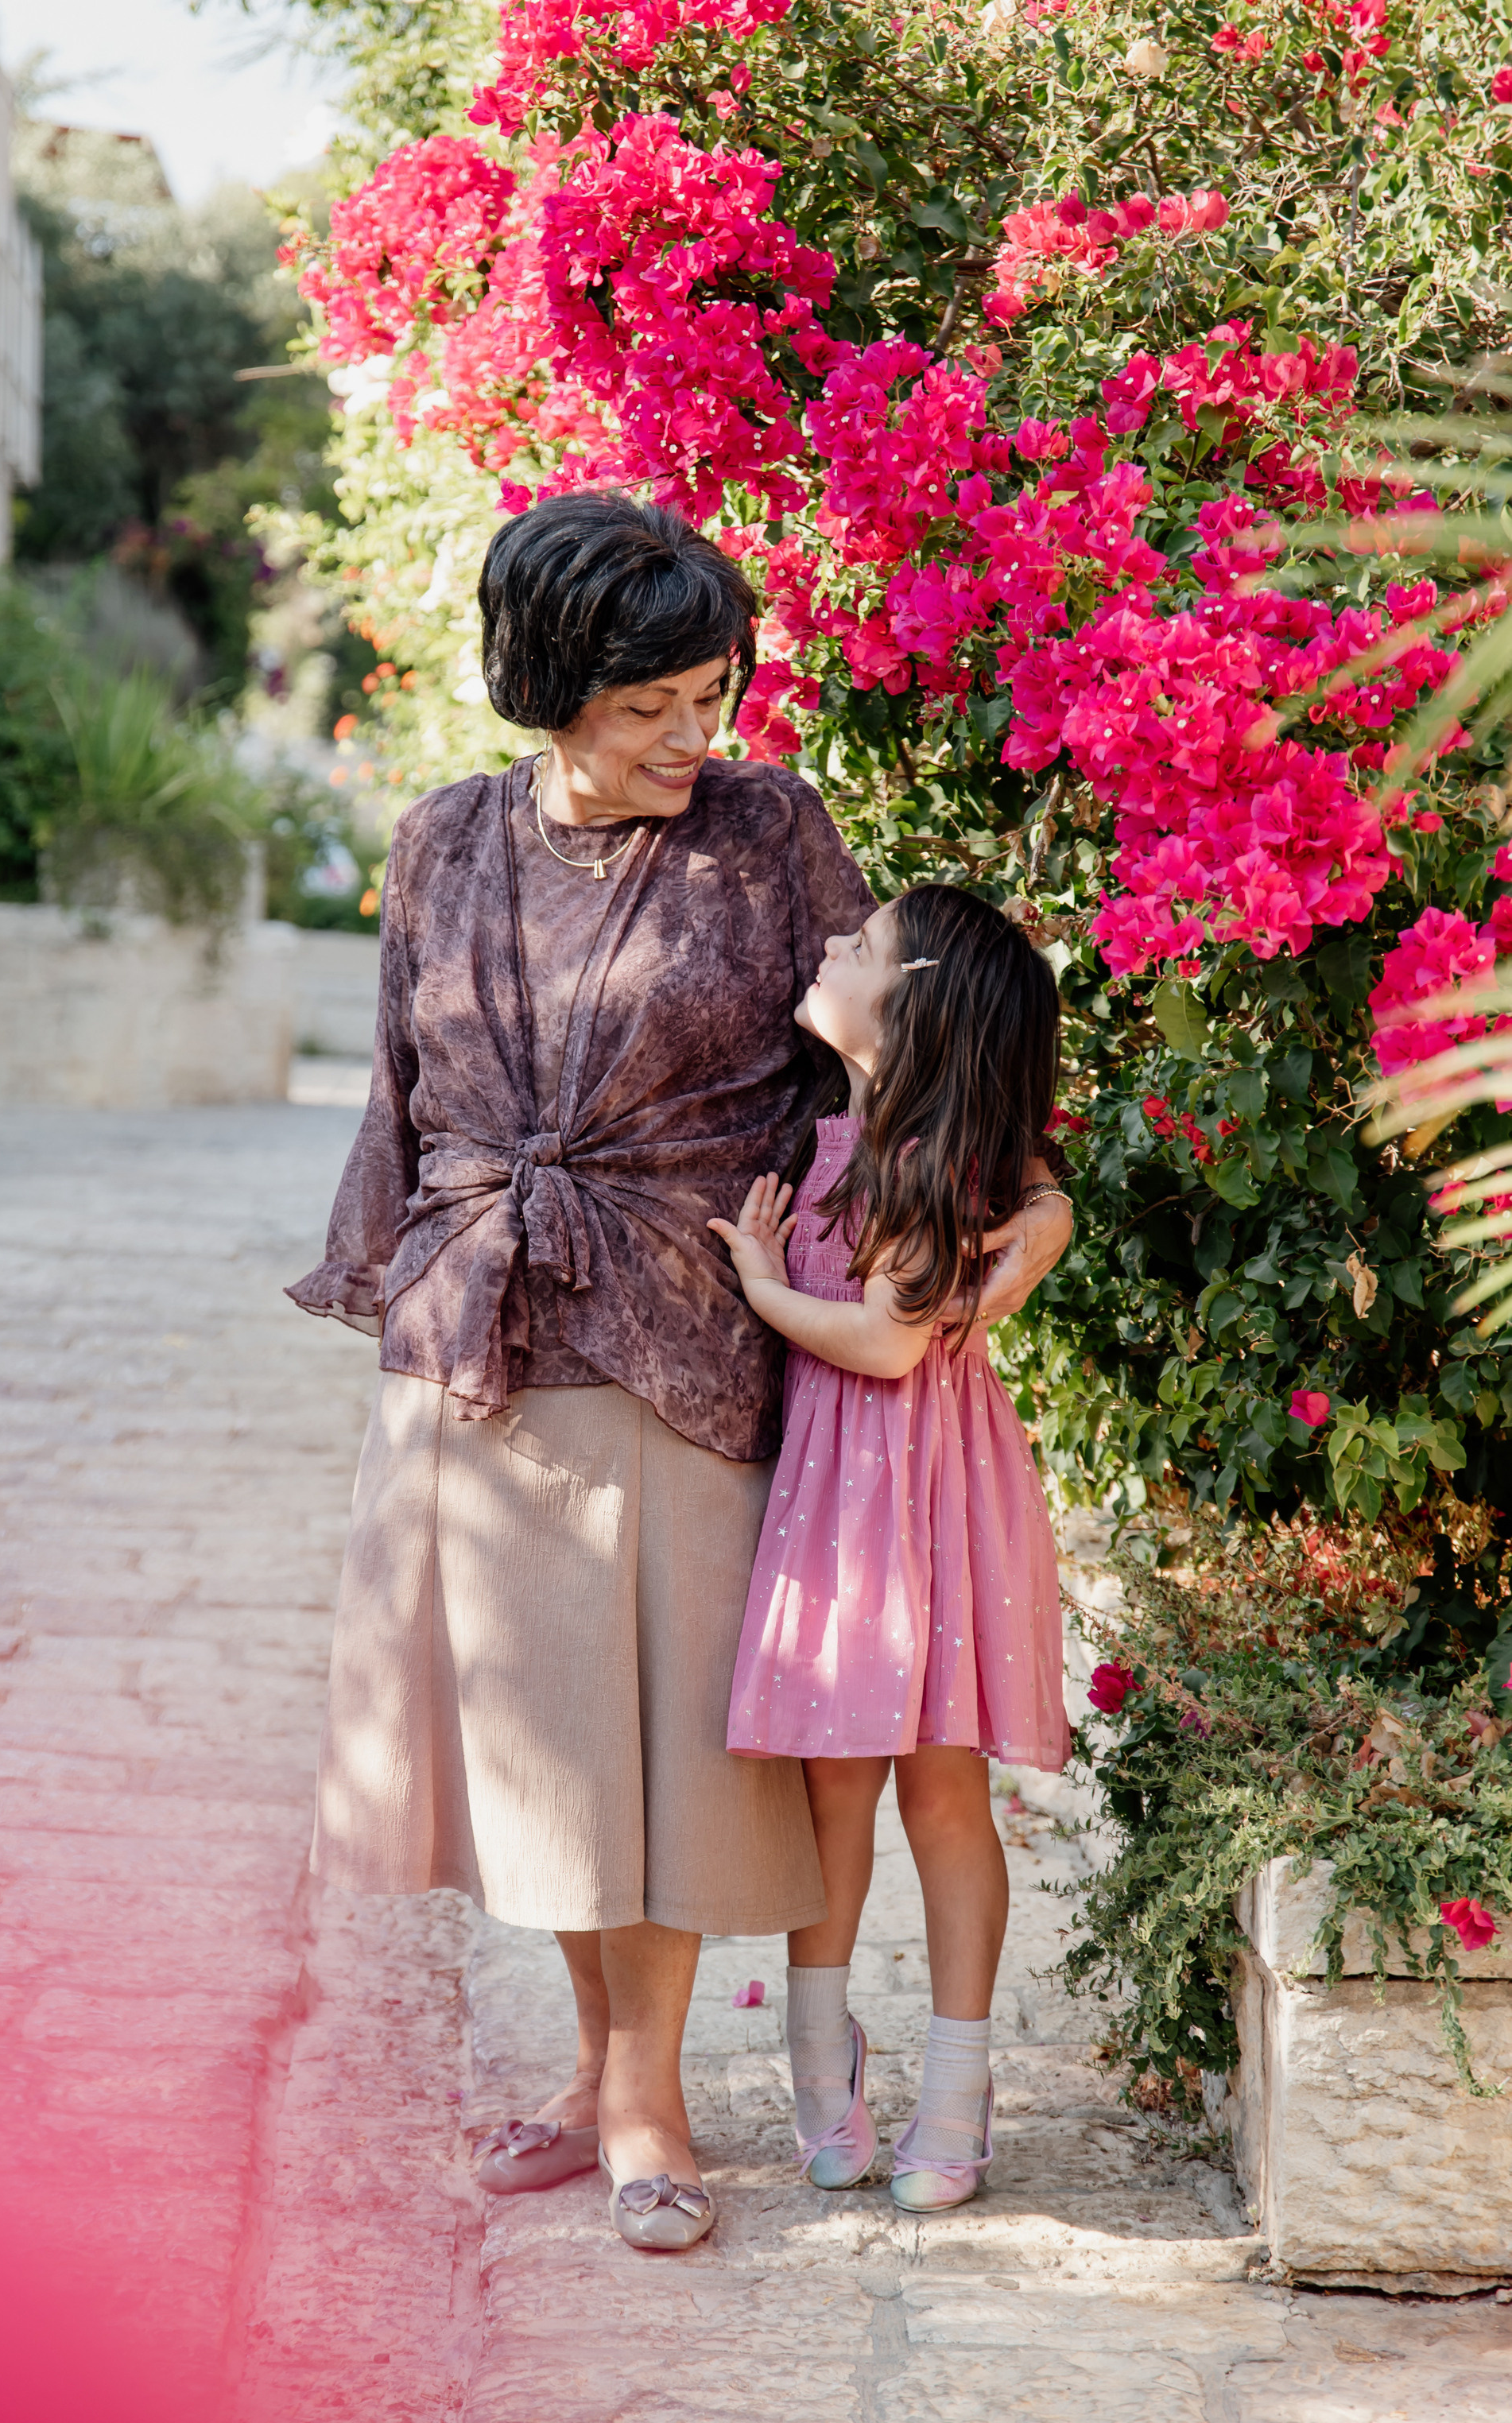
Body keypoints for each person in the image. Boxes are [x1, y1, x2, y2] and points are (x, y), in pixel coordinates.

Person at [288, 489, 1075, 2254]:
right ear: (548, 682)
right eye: (648, 707)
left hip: (693, 1327)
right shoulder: (440, 844)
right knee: (557, 1739)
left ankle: (648, 2092)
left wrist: (1017, 1197)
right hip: (491, 1325)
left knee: (667, 1742)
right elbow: (398, 1098)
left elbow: (907, 1046)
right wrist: (397, 1289)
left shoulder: (768, 829)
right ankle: (599, 2073)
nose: (689, 738)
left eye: (709, 696)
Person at [708, 882, 1070, 2216]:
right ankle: (826, 2058)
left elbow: (884, 1341)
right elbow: (1035, 1197)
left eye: (855, 949)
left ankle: (955, 2089)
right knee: (836, 1789)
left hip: (913, 1503)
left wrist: (759, 1287)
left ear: (910, 1004)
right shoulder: (876, 1134)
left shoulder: (917, 1160)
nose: (824, 949)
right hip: (855, 1500)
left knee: (930, 1790)